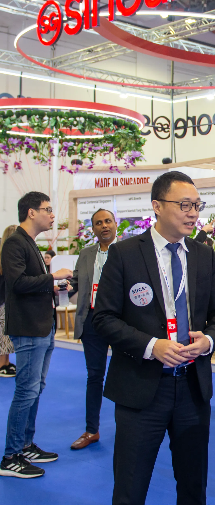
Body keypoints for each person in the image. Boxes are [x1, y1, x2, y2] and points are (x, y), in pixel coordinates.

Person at [92, 171, 215, 504]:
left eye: (197, 205)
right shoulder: (124, 254)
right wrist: (152, 346)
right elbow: (104, 319)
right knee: (130, 487)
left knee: (193, 487)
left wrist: (208, 341)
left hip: (193, 388)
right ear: (157, 206)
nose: (193, 213)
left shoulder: (203, 255)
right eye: (184, 205)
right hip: (141, 388)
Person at [0, 192, 73, 479]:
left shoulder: (29, 242)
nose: (52, 215)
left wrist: (52, 287)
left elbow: (29, 283)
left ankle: (25, 445)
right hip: (29, 328)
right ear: (31, 212)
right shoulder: (15, 243)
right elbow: (17, 283)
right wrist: (53, 277)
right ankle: (11, 456)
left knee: (35, 388)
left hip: (41, 326)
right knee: (26, 391)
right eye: (47, 209)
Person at [68, 209, 118, 450]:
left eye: (108, 221)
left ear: (115, 224)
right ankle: (91, 430)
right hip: (91, 320)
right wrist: (63, 286)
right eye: (99, 223)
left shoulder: (128, 251)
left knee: (126, 375)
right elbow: (75, 283)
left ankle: (132, 428)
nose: (104, 226)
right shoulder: (86, 254)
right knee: (95, 376)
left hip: (121, 322)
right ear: (94, 228)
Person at [0, 225, 18, 378]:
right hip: (2, 302)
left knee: (6, 335)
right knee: (2, 335)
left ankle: (6, 362)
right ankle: (1, 364)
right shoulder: (3, 259)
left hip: (8, 302)